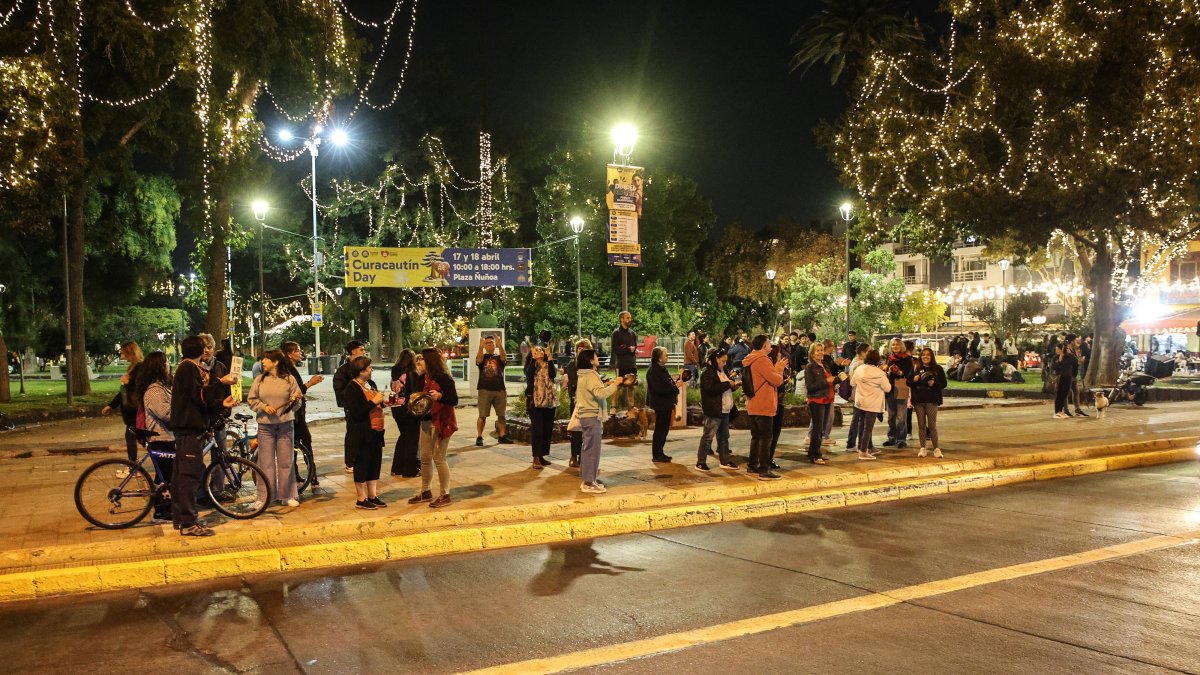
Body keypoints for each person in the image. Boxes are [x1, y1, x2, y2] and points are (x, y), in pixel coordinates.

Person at [170, 336, 237, 536]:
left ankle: (180, 519)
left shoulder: (188, 367)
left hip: (189, 429)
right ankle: (189, 523)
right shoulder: (189, 368)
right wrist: (220, 382)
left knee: (181, 478)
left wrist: (220, 404)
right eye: (205, 347)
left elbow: (199, 400)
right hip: (189, 430)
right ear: (200, 350)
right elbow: (199, 395)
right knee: (189, 478)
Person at [247, 349, 304, 508]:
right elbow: (251, 400)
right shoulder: (259, 380)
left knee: (286, 461)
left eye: (266, 359)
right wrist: (264, 407)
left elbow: (298, 403)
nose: (263, 362)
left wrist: (295, 400)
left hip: (286, 425)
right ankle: (264, 497)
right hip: (265, 427)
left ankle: (288, 495)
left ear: (276, 362)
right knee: (265, 462)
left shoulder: (289, 379)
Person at [573, 349, 632, 493]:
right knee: (592, 450)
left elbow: (595, 391)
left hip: (587, 415)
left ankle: (589, 479)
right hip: (592, 415)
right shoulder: (591, 375)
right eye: (595, 356)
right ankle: (588, 482)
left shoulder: (583, 374)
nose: (597, 358)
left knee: (588, 448)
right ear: (590, 361)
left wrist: (608, 384)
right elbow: (600, 394)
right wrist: (616, 384)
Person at [409, 348, 459, 508]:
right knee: (424, 457)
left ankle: (445, 494)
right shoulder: (421, 378)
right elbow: (419, 396)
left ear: (430, 361)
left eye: (422, 359)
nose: (419, 362)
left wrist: (440, 396)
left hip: (441, 421)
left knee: (439, 458)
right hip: (426, 421)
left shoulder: (444, 378)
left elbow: (454, 399)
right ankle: (426, 491)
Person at [134, 351, 174, 522]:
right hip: (161, 438)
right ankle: (161, 512)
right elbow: (166, 414)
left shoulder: (161, 386)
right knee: (166, 478)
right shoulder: (154, 390)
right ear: (159, 366)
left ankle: (164, 510)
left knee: (164, 477)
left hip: (167, 437)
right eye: (166, 362)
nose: (169, 365)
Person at [344, 356, 387, 509]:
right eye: (369, 368)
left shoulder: (370, 384)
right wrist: (373, 402)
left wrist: (382, 402)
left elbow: (375, 401)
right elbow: (356, 413)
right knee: (362, 463)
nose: (371, 370)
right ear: (361, 371)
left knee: (374, 463)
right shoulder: (352, 388)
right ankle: (361, 498)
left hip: (376, 431)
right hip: (362, 432)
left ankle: (372, 495)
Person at [743, 335, 788, 479]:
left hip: (753, 403)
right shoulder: (762, 360)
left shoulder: (750, 358)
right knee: (765, 438)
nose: (771, 346)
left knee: (756, 437)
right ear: (763, 346)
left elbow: (765, 376)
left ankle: (752, 465)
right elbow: (776, 380)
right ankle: (764, 469)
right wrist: (780, 369)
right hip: (764, 404)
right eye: (769, 343)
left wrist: (774, 369)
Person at [281, 341, 324, 486]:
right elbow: (296, 390)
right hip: (294, 414)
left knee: (300, 442)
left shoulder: (292, 368)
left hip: (299, 412)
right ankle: (307, 473)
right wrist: (310, 383)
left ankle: (304, 472)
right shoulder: (287, 369)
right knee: (302, 441)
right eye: (297, 351)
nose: (300, 353)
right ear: (289, 354)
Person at [101, 341, 144, 463]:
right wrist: (111, 405)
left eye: (123, 353)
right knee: (133, 436)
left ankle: (133, 464)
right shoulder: (132, 367)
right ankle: (133, 463)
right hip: (130, 410)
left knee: (131, 436)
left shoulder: (140, 367)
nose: (121, 356)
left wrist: (127, 382)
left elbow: (138, 388)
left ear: (130, 352)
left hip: (136, 409)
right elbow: (124, 392)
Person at [697, 347, 739, 471]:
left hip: (725, 409)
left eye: (726, 361)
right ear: (716, 358)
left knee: (724, 437)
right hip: (714, 410)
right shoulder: (707, 372)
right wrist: (728, 384)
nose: (725, 364)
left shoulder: (721, 370)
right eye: (723, 361)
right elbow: (711, 389)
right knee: (708, 436)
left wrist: (733, 386)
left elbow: (724, 387)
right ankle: (701, 461)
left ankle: (725, 460)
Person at [333, 340, 368, 473]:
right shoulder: (343, 370)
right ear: (353, 351)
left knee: (363, 432)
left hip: (365, 406)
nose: (363, 351)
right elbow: (339, 389)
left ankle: (362, 458)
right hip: (352, 407)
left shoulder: (363, 367)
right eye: (361, 349)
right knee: (353, 433)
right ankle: (351, 461)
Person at [475, 334, 513, 446]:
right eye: (487, 343)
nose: (489, 344)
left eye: (491, 342)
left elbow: (504, 358)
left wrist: (500, 345)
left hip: (499, 389)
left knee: (501, 415)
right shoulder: (483, 356)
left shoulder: (498, 356)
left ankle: (502, 436)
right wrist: (480, 347)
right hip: (484, 389)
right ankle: (479, 436)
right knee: (482, 415)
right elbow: (478, 360)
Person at [388, 349, 421, 477]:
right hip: (408, 409)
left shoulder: (394, 373)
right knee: (412, 439)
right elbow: (414, 393)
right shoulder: (412, 374)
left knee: (403, 437)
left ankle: (397, 468)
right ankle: (409, 470)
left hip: (396, 408)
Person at [645, 346, 681, 463]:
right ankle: (657, 454)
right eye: (665, 355)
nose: (668, 357)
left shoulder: (661, 368)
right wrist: (676, 387)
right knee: (660, 429)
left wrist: (674, 386)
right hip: (660, 403)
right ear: (659, 358)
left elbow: (667, 383)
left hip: (665, 402)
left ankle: (660, 452)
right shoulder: (654, 370)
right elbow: (660, 389)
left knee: (664, 428)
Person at [909, 347, 947, 458]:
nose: (925, 357)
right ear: (920, 356)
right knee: (921, 425)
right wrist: (914, 380)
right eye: (923, 354)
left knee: (932, 425)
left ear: (932, 357)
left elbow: (944, 384)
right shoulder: (916, 367)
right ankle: (923, 448)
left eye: (928, 355)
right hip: (918, 400)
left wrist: (933, 384)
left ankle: (936, 448)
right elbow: (908, 382)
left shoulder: (937, 368)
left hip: (931, 400)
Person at [524, 344, 558, 468]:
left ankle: (542, 455)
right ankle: (536, 458)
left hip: (549, 401)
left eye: (540, 350)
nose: (539, 351)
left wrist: (550, 357)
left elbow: (554, 375)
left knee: (547, 429)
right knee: (537, 429)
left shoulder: (548, 363)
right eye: (536, 350)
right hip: (535, 402)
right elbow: (528, 374)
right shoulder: (531, 364)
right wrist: (533, 359)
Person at [562, 339, 592, 468]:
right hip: (577, 402)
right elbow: (572, 385)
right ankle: (574, 456)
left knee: (588, 431)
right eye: (579, 348)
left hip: (590, 403)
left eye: (584, 348)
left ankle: (584, 456)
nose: (581, 350)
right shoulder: (572, 365)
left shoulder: (591, 365)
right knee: (576, 430)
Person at [803, 342, 834, 466]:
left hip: (827, 399)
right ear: (812, 353)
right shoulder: (810, 367)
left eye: (821, 350)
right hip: (816, 400)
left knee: (821, 429)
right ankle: (815, 455)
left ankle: (815, 452)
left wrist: (837, 379)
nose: (820, 352)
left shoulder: (824, 365)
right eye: (817, 350)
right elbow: (810, 387)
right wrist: (826, 381)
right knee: (817, 428)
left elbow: (829, 380)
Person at [883, 338, 914, 449]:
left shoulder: (907, 359)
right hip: (890, 387)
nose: (895, 346)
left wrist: (899, 372)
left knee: (901, 416)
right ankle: (891, 438)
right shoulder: (889, 358)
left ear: (902, 346)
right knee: (891, 415)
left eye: (897, 344)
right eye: (893, 345)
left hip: (901, 385)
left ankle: (901, 439)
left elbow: (909, 373)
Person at [844, 342, 871, 450]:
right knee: (858, 419)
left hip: (857, 393)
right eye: (868, 351)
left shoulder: (856, 361)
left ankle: (855, 443)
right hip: (859, 393)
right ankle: (854, 444)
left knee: (858, 419)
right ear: (862, 352)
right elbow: (854, 380)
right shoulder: (859, 364)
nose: (870, 353)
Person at [610, 311, 639, 411]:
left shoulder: (633, 333)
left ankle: (631, 406)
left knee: (631, 386)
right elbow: (614, 349)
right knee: (617, 385)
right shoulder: (616, 333)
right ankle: (613, 407)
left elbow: (635, 347)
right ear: (621, 319)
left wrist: (636, 350)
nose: (630, 319)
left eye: (630, 317)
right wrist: (628, 350)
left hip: (632, 364)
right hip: (621, 364)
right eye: (627, 318)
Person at [1054, 340, 1078, 419]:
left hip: (1068, 377)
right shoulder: (1056, 357)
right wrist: (1059, 361)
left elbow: (1076, 363)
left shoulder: (1069, 356)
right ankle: (1057, 411)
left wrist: (1074, 374)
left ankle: (1061, 411)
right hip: (1060, 377)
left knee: (1065, 394)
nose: (1056, 351)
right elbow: (1055, 367)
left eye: (1058, 349)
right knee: (1059, 394)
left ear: (1062, 349)